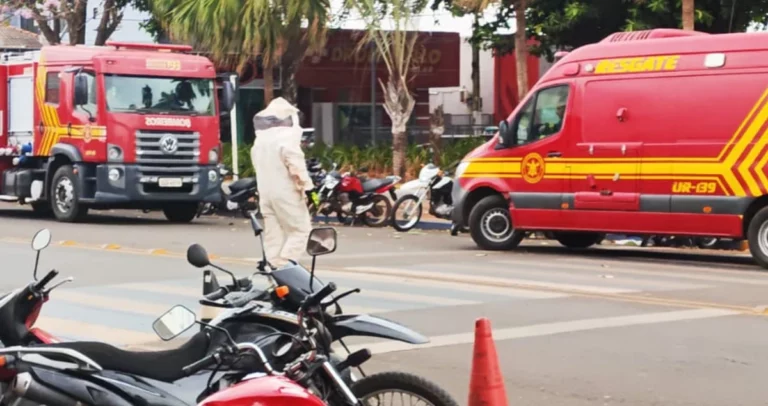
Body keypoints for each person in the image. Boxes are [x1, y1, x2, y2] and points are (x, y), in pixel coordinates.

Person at [251, 98, 314, 268]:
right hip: (286, 193)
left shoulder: (259, 142)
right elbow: (297, 168)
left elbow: (257, 166)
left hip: (265, 195)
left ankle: (272, 270)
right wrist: (308, 189)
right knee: (301, 230)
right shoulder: (286, 140)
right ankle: (286, 267)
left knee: (273, 235)